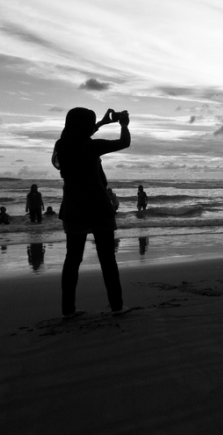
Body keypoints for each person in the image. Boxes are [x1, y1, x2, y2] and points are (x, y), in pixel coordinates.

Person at [52, 107, 131, 318]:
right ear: (86, 125)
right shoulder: (91, 146)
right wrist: (123, 125)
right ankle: (117, 306)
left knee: (72, 260)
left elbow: (77, 137)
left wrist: (103, 123)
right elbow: (124, 143)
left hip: (73, 208)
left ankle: (68, 310)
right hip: (97, 207)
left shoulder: (62, 145)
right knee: (107, 259)